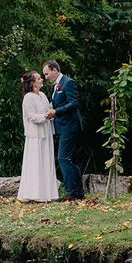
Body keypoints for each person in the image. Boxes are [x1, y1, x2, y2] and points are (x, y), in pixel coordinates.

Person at [42, 60, 84, 200]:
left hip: (69, 126)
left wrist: (56, 112)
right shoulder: (56, 86)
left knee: (63, 158)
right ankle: (78, 193)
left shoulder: (68, 82)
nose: (46, 77)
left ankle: (71, 192)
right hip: (63, 126)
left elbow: (74, 103)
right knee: (72, 160)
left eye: (47, 73)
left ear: (55, 70)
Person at [17, 71, 59, 203]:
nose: (42, 80)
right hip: (35, 135)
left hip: (46, 133)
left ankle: (47, 193)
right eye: (39, 78)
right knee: (36, 163)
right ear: (32, 83)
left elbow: (47, 109)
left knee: (46, 161)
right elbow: (31, 116)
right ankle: (34, 194)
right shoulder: (28, 97)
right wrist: (45, 116)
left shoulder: (43, 95)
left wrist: (51, 113)